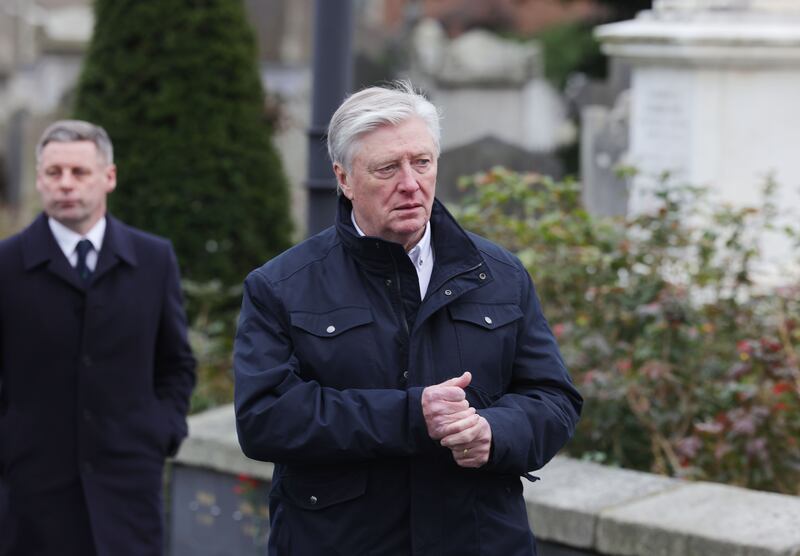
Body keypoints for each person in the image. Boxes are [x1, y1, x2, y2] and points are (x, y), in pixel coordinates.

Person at [234, 81, 582, 555]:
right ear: (344, 178)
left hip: (479, 540)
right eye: (387, 168)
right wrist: (411, 414)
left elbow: (554, 397)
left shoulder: (499, 273)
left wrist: (495, 432)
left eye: (422, 162)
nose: (411, 183)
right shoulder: (281, 285)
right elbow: (265, 418)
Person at [0, 120, 196, 556]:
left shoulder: (152, 259)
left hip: (127, 489)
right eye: (54, 173)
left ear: (108, 177)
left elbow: (175, 363)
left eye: (79, 172)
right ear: (38, 179)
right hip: (31, 493)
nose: (66, 184)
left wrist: (159, 433)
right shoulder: (7, 265)